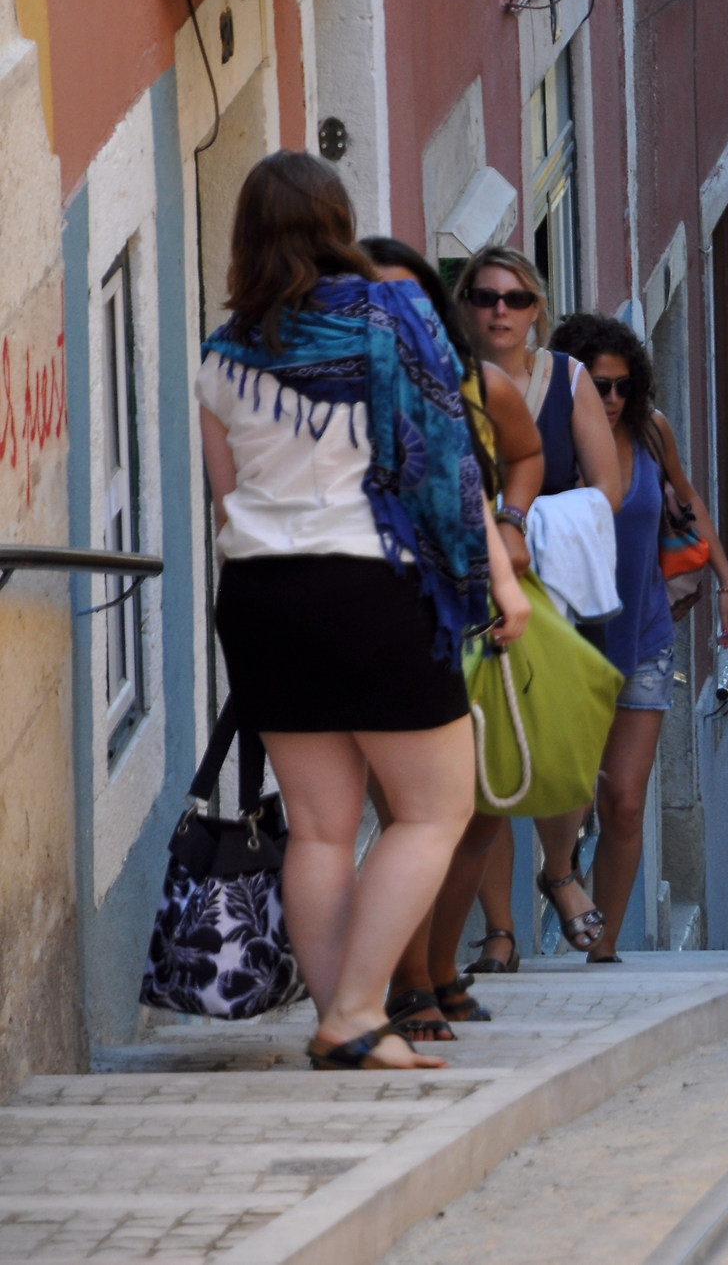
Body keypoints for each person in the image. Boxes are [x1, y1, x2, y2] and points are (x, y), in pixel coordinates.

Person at [197, 152, 529, 1070]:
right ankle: (351, 1011)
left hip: (262, 596)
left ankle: (340, 1017)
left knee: (319, 826)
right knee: (434, 810)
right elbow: (453, 467)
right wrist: (499, 586)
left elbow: (228, 502)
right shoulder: (394, 317)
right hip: (374, 589)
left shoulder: (223, 355)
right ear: (337, 223)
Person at [359, 237, 543, 1040]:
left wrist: (511, 522)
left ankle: (437, 964)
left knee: (478, 810)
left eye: (408, 296)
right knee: (411, 810)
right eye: (373, 296)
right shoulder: (344, 392)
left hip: (476, 613)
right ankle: (405, 984)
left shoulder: (479, 385)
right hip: (389, 619)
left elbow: (527, 454)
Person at [548, 313, 728, 962]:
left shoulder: (649, 432)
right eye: (598, 385)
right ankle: (559, 872)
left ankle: (601, 948)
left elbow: (688, 502)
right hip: (574, 641)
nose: (610, 399)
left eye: (622, 386)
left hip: (645, 635)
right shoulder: (550, 440)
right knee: (574, 797)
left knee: (626, 802)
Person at [454, 245, 622, 960]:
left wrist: (532, 526)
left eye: (516, 299)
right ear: (465, 307)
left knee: (565, 748)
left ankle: (559, 869)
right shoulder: (444, 381)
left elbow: (607, 487)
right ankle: (499, 929)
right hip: (468, 588)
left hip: (553, 587)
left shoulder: (570, 380)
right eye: (487, 297)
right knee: (486, 762)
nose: (501, 310)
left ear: (537, 311)